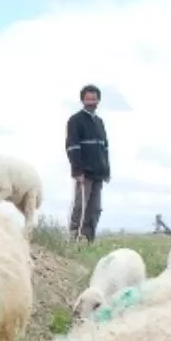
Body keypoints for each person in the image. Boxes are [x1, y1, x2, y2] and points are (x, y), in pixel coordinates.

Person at [65, 84, 110, 242]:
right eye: (88, 99)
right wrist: (77, 171)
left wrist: (106, 171)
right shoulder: (75, 120)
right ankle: (74, 236)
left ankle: (88, 238)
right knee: (81, 206)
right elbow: (72, 147)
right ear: (82, 100)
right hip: (84, 172)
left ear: (98, 100)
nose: (91, 102)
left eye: (94, 99)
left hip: (99, 172)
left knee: (95, 208)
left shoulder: (99, 122)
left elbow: (105, 148)